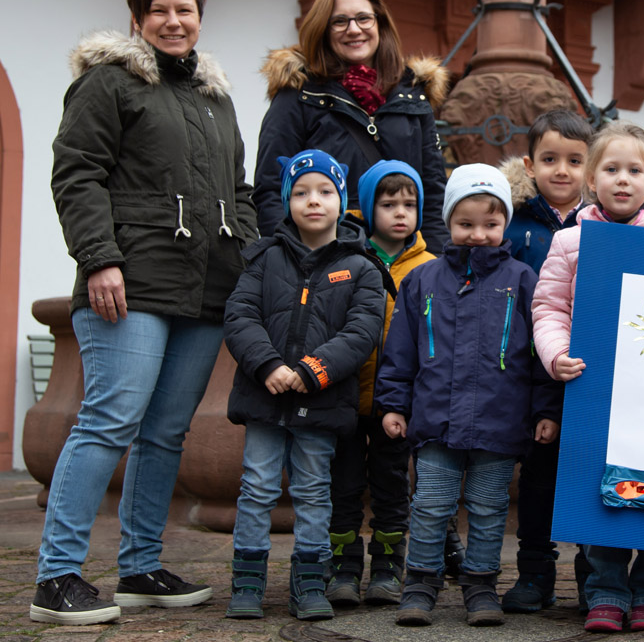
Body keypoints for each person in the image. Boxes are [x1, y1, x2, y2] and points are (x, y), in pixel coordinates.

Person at [36, 0, 257, 626]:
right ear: (137, 17)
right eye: (159, 9)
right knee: (109, 419)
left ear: (199, 17)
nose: (173, 20)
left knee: (165, 433)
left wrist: (244, 255)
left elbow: (239, 191)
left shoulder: (216, 97)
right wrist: (100, 259)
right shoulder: (107, 84)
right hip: (127, 282)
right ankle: (57, 578)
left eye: (184, 9)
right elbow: (77, 176)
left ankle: (140, 568)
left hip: (207, 289)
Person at [376, 164, 561, 628]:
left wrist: (545, 409)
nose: (478, 234)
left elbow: (539, 353)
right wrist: (394, 404)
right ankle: (420, 583)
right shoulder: (422, 281)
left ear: (505, 226)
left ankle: (481, 584)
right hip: (435, 420)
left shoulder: (522, 279)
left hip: (500, 422)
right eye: (466, 224)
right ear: (447, 223)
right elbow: (400, 351)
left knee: (488, 505)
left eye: (491, 225)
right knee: (431, 502)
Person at [532, 121, 644, 633]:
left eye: (635, 170)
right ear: (591, 180)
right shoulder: (570, 241)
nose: (623, 180)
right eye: (611, 169)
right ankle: (604, 588)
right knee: (601, 488)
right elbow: (549, 308)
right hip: (595, 389)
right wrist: (556, 355)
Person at [223, 150, 387, 622]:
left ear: (342, 201)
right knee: (256, 486)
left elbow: (362, 331)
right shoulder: (264, 258)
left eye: (324, 191)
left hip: (321, 400)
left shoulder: (361, 267)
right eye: (300, 193)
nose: (312, 201)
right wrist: (268, 364)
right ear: (286, 201)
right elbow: (240, 315)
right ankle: (248, 580)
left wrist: (315, 368)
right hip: (265, 397)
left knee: (315, 490)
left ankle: (310, 579)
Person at [255, 0, 451, 253]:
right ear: (323, 29)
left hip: (403, 262)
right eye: (340, 21)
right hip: (328, 257)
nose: (354, 29)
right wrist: (291, 256)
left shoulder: (413, 95)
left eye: (363, 18)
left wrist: (435, 262)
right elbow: (271, 187)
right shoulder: (298, 94)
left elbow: (432, 192)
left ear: (380, 24)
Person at [325, 160, 437, 607]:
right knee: (344, 486)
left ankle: (388, 569)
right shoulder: (345, 257)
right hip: (347, 397)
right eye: (388, 204)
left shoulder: (429, 267)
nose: (400, 213)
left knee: (393, 486)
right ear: (367, 208)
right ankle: (344, 568)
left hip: (399, 404)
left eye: (409, 204)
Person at [498, 108, 591, 613]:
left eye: (575, 160)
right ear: (530, 165)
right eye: (551, 159)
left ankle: (592, 572)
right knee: (537, 473)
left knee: (589, 470)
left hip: (586, 368)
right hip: (530, 370)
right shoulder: (513, 226)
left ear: (591, 167)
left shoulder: (603, 224)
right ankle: (534, 571)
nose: (562, 170)